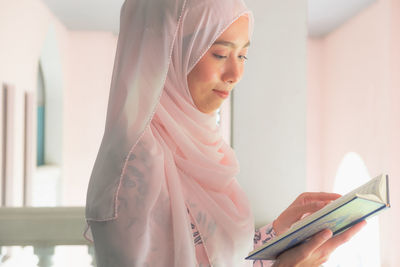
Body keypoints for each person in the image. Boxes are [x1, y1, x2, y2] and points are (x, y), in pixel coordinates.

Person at [84, 0, 366, 266]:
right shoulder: (134, 173)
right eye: (220, 53)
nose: (236, 73)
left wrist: (276, 234)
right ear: (166, 53)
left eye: (243, 55)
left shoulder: (199, 146)